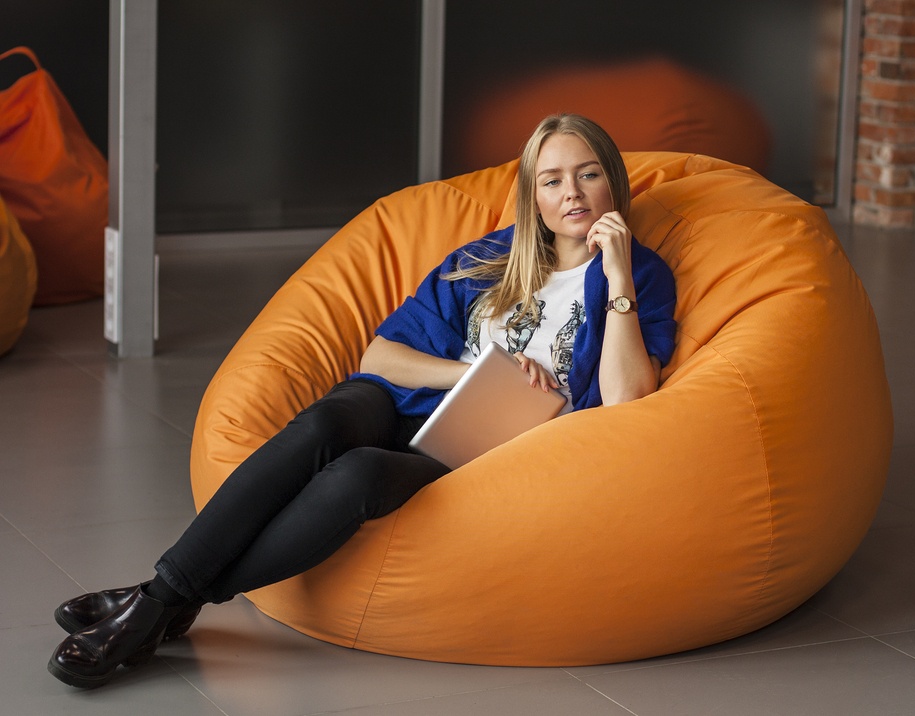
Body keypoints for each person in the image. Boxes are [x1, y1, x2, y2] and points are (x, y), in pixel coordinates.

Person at [47, 113, 677, 688]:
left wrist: (617, 278)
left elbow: (627, 397)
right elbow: (380, 356)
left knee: (359, 475)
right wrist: (471, 370)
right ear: (532, 196)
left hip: (484, 446)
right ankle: (161, 603)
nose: (571, 193)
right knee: (328, 421)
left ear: (612, 183)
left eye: (588, 174)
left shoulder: (640, 276)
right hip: (409, 403)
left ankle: (154, 603)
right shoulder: (490, 256)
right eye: (552, 180)